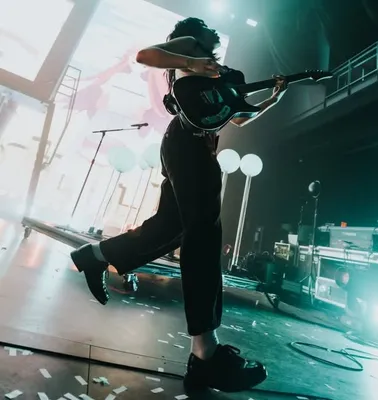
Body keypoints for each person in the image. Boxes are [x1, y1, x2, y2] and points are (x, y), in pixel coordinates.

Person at [71, 17, 287, 392]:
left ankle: (95, 255)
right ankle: (205, 353)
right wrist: (190, 61)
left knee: (171, 227)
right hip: (188, 145)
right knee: (203, 233)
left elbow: (239, 117)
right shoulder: (191, 44)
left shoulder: (218, 72)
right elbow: (145, 55)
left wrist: (272, 99)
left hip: (194, 146)